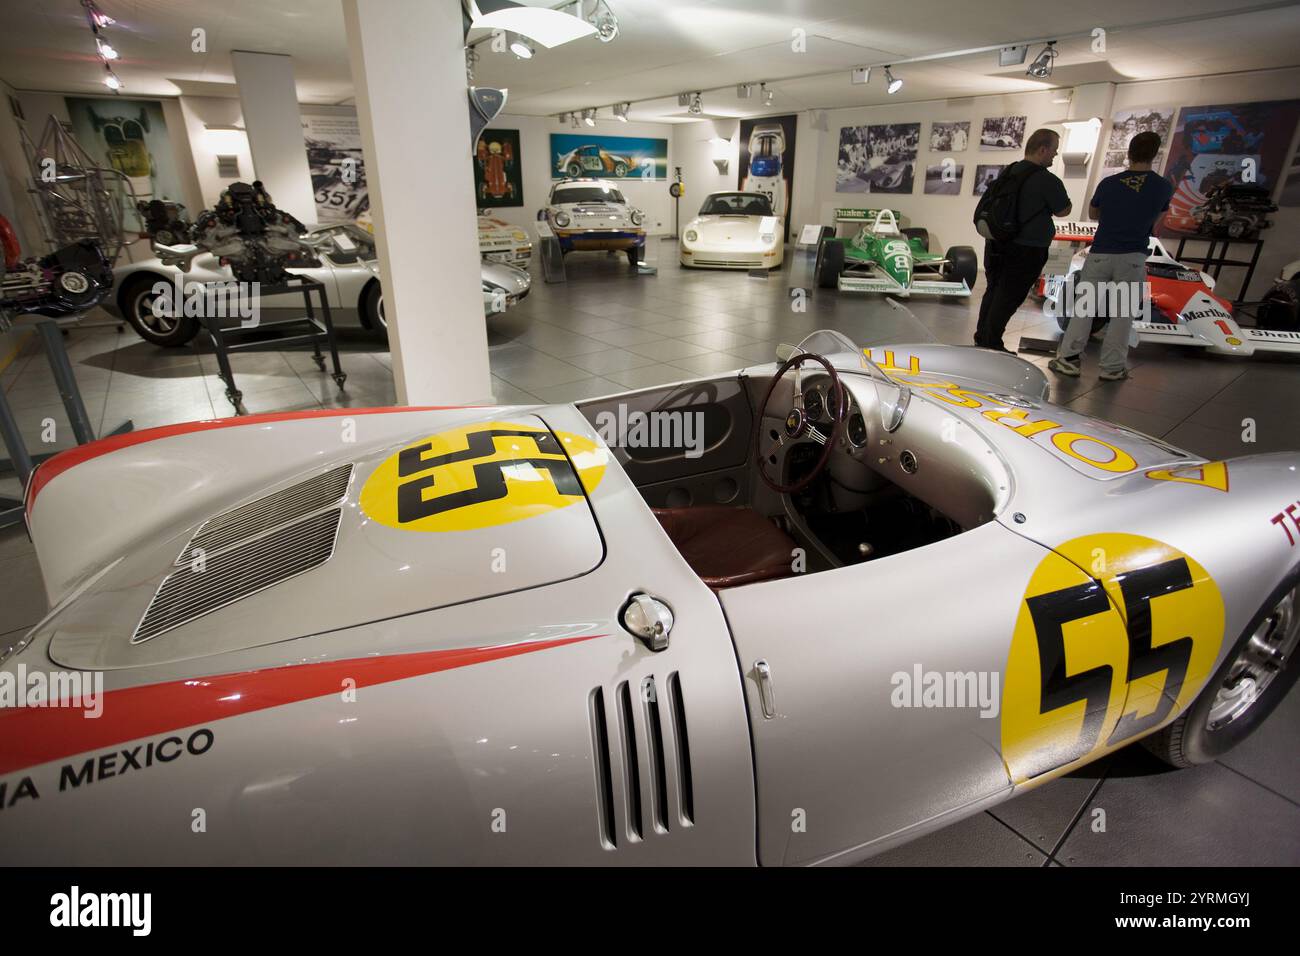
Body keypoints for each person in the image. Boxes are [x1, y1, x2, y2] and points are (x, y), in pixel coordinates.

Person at [1049, 131, 1174, 381]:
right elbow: (1156, 220)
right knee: (1122, 314)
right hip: (1133, 256)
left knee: (1084, 308)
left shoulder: (1109, 183)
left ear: (1129, 153)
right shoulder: (1163, 187)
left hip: (1101, 252)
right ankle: (1112, 367)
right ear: (1155, 154)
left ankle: (1069, 360)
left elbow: (1094, 214)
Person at [973, 129, 1072, 351]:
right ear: (1043, 149)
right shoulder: (1047, 180)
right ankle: (992, 343)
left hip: (997, 243)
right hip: (1027, 248)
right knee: (1009, 296)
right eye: (1054, 150)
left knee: (994, 290)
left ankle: (983, 337)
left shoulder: (1009, 171)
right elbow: (1063, 209)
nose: (1055, 155)